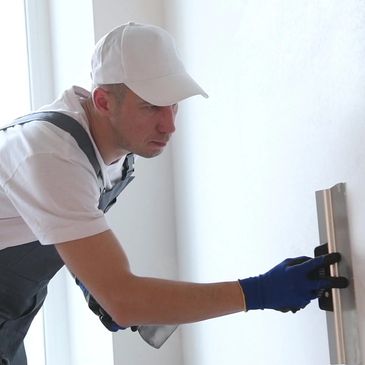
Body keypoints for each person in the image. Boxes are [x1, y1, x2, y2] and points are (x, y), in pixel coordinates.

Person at [0, 22, 348, 364]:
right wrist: (258, 291)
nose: (169, 126)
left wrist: (96, 287)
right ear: (104, 101)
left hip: (12, 316)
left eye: (174, 105)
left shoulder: (108, 146)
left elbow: (66, 219)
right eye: (151, 107)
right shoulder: (52, 155)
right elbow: (124, 300)